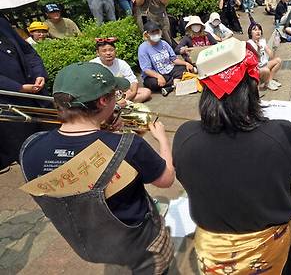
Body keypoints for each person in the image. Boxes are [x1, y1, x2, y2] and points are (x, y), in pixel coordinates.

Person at [20, 61, 175, 274]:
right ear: (103, 100)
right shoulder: (129, 145)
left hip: (88, 244)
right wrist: (163, 141)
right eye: (115, 96)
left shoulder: (30, 147)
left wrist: (104, 131)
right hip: (138, 244)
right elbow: (166, 180)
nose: (119, 102)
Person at [173, 40, 291, 274]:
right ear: (252, 85)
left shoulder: (185, 136)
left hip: (213, 254)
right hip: (270, 248)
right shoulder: (281, 133)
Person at [0, 15, 50, 169]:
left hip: (37, 97)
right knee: (28, 153)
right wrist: (18, 88)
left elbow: (28, 52)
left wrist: (39, 73)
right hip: (10, 104)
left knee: (52, 143)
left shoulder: (2, 23)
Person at [91, 37, 152, 105]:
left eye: (111, 50)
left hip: (122, 94)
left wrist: (130, 94)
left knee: (146, 92)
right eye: (104, 51)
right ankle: (115, 106)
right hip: (104, 98)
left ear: (115, 50)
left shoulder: (121, 63)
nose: (108, 53)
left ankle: (119, 106)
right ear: (98, 53)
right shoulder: (92, 65)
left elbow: (133, 81)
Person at [138, 22, 193, 96]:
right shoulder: (143, 48)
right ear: (146, 34)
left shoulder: (164, 43)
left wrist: (186, 63)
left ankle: (172, 86)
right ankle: (175, 82)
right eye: (152, 32)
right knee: (153, 83)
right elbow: (146, 69)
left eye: (157, 31)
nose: (155, 34)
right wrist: (158, 76)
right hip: (154, 75)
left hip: (168, 69)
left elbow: (173, 59)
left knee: (184, 68)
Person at [247, 23, 282, 91]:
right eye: (255, 30)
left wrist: (274, 47)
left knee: (278, 60)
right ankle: (266, 82)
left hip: (264, 65)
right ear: (250, 33)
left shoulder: (262, 41)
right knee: (266, 70)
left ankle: (269, 81)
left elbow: (271, 56)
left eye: (259, 29)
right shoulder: (249, 43)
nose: (258, 31)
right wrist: (258, 49)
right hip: (256, 69)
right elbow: (254, 61)